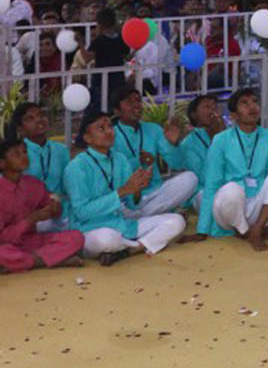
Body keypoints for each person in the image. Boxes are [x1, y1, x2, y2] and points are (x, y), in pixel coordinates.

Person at [63, 111, 188, 262]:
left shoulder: (120, 159)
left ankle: (132, 249)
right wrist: (122, 191)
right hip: (90, 230)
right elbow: (81, 212)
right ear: (87, 138)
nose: (109, 131)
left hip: (122, 224)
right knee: (106, 240)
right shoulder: (76, 167)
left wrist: (137, 189)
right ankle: (134, 244)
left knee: (176, 221)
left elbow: (131, 205)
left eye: (110, 126)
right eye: (101, 128)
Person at [197, 88, 268, 250]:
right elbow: (211, 185)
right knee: (232, 189)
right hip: (229, 212)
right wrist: (202, 229)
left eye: (255, 102)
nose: (252, 106)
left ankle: (257, 228)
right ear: (233, 116)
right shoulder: (221, 140)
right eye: (245, 103)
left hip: (258, 207)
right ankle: (245, 231)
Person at [109, 86, 199, 215]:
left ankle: (142, 215)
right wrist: (138, 161)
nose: (136, 105)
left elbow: (177, 164)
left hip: (156, 193)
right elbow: (112, 172)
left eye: (138, 100)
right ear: (117, 111)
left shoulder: (153, 129)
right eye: (129, 102)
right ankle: (151, 214)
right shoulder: (110, 135)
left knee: (190, 178)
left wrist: (172, 144)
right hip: (126, 198)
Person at [0, 140, 84, 271]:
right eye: (17, 154)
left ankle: (25, 262)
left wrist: (54, 208)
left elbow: (51, 208)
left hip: (30, 241)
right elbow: (3, 237)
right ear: (2, 163)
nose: (24, 157)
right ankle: (48, 260)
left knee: (76, 237)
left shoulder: (33, 184)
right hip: (5, 244)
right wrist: (30, 220)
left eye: (24, 152)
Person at [9, 100, 69, 197]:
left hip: (60, 204)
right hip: (27, 205)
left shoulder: (61, 149)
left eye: (41, 115)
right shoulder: (14, 154)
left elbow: (68, 185)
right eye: (30, 118)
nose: (38, 120)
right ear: (20, 130)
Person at [178, 93, 225, 185]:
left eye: (215, 107)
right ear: (194, 115)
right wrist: (215, 141)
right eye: (207, 106)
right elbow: (204, 178)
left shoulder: (227, 134)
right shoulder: (188, 144)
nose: (213, 111)